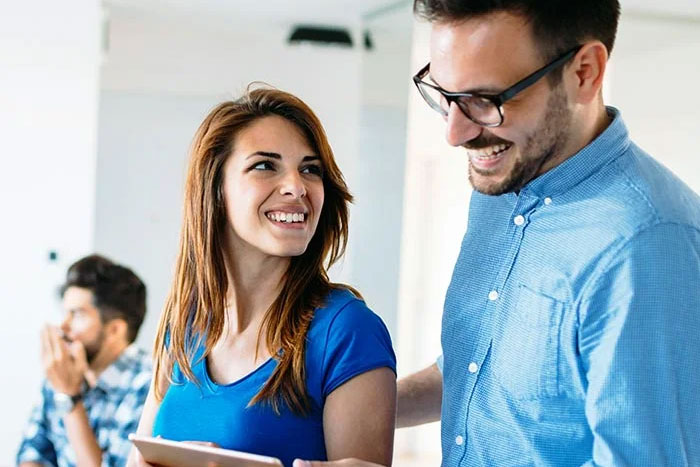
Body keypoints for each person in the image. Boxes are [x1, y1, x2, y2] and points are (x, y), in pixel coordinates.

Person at [297, 0, 700, 466]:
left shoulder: (648, 244)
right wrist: (321, 411)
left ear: (585, 72)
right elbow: (476, 376)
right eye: (444, 95)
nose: (455, 132)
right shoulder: (502, 190)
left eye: (485, 101)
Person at [127, 87, 397, 467]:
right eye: (265, 165)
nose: (297, 186)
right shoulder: (183, 325)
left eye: (310, 169)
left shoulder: (347, 331)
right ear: (215, 190)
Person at [17, 254, 152, 467]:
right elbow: (32, 452)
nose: (63, 326)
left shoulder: (149, 386)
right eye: (65, 313)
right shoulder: (62, 371)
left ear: (115, 330)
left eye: (77, 315)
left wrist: (70, 398)